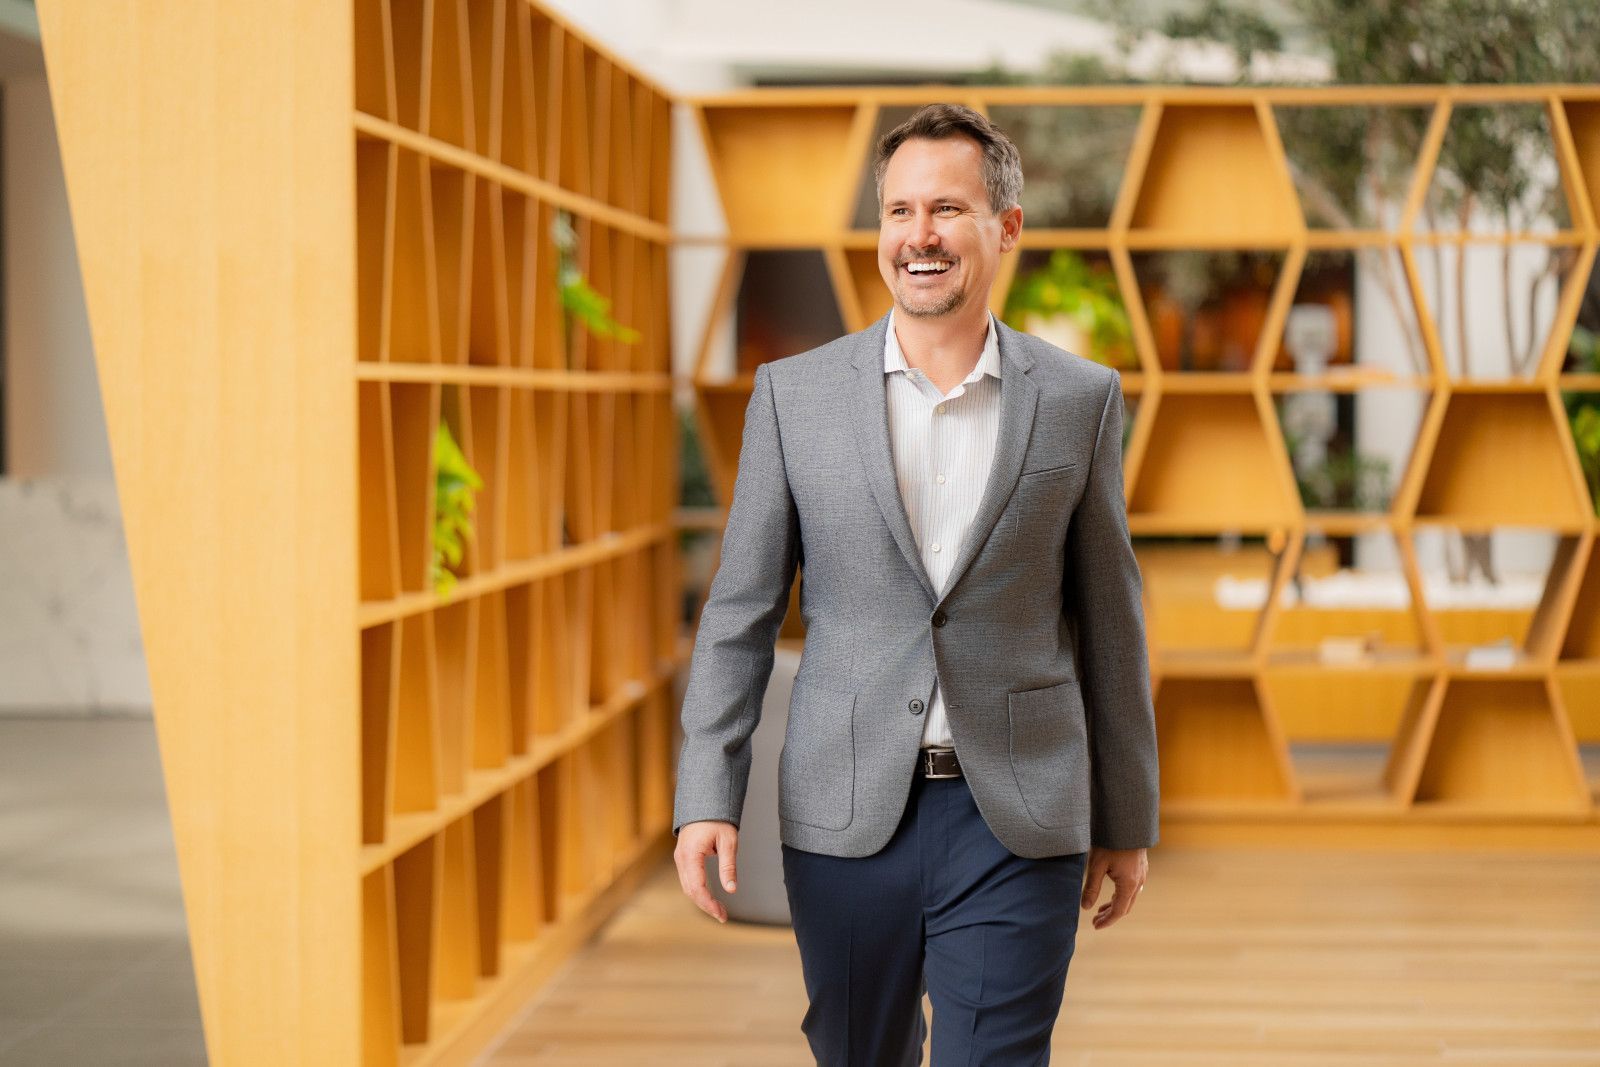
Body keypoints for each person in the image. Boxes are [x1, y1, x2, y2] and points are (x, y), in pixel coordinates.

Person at [671, 102, 1159, 1065]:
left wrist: (1126, 816)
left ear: (1006, 227)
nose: (919, 235)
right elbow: (739, 613)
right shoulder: (793, 396)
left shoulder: (1080, 400)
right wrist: (705, 793)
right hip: (844, 810)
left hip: (1017, 814)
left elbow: (1111, 620)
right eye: (899, 210)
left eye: (946, 209)